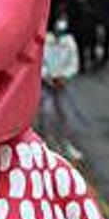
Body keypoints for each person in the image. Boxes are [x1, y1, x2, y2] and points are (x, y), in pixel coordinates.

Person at [40, 15, 82, 160]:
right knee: (47, 115)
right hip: (46, 85)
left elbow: (74, 63)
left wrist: (64, 76)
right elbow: (39, 61)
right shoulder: (45, 40)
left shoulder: (70, 42)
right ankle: (49, 147)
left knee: (64, 116)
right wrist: (48, 77)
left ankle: (67, 144)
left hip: (62, 85)